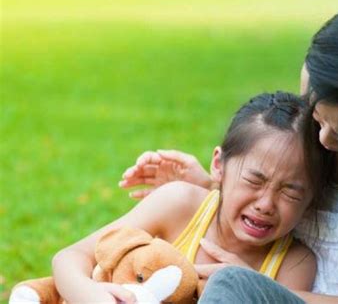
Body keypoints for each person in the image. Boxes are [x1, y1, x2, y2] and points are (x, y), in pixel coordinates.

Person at [119, 0, 338, 303]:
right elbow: (275, 204)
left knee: (230, 285)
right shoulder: (307, 148)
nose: (323, 140)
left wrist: (262, 289)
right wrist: (214, 189)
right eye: (317, 115)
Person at [52, 92, 318, 303]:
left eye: (290, 192)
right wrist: (93, 296)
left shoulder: (294, 262)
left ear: (312, 199)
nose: (265, 204)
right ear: (219, 165)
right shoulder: (181, 205)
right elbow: (71, 256)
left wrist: (247, 284)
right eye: (254, 180)